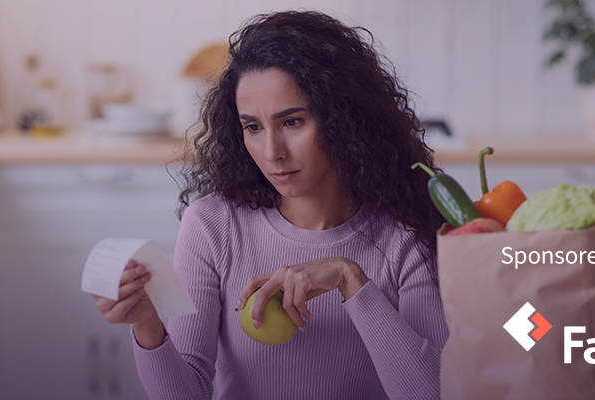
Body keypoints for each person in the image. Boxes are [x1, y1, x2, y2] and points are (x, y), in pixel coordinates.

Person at [91, 10, 449, 400]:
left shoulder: (405, 233)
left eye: (292, 122)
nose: (271, 152)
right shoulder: (212, 225)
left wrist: (349, 279)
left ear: (344, 119)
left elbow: (435, 392)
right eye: (253, 127)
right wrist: (147, 323)